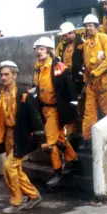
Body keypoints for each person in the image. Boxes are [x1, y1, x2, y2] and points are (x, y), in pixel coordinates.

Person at [0, 61, 44, 214]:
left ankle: (16, 200)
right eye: (1, 75)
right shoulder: (1, 95)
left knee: (8, 166)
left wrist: (41, 140)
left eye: (6, 74)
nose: (3, 78)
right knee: (16, 169)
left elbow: (35, 118)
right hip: (8, 136)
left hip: (22, 137)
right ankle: (33, 195)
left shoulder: (24, 94)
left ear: (15, 75)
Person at [32, 37, 78, 187]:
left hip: (55, 109)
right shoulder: (38, 67)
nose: (38, 52)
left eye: (42, 49)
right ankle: (72, 158)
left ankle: (57, 172)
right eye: (37, 49)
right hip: (43, 108)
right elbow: (36, 86)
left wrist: (72, 106)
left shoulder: (58, 66)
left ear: (49, 50)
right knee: (59, 138)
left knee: (49, 142)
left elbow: (69, 86)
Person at [80, 14, 107, 151]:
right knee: (89, 111)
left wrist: (96, 72)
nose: (88, 28)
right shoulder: (86, 44)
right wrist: (86, 81)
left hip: (103, 80)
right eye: (86, 26)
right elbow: (86, 65)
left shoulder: (104, 38)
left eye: (90, 25)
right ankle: (88, 139)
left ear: (97, 27)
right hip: (91, 82)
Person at [56, 22, 85, 147]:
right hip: (68, 82)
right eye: (63, 36)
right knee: (70, 109)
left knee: (81, 109)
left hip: (80, 82)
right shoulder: (62, 46)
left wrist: (81, 74)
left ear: (72, 33)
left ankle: (84, 136)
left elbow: (87, 61)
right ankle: (72, 136)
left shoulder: (82, 44)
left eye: (65, 35)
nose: (64, 38)